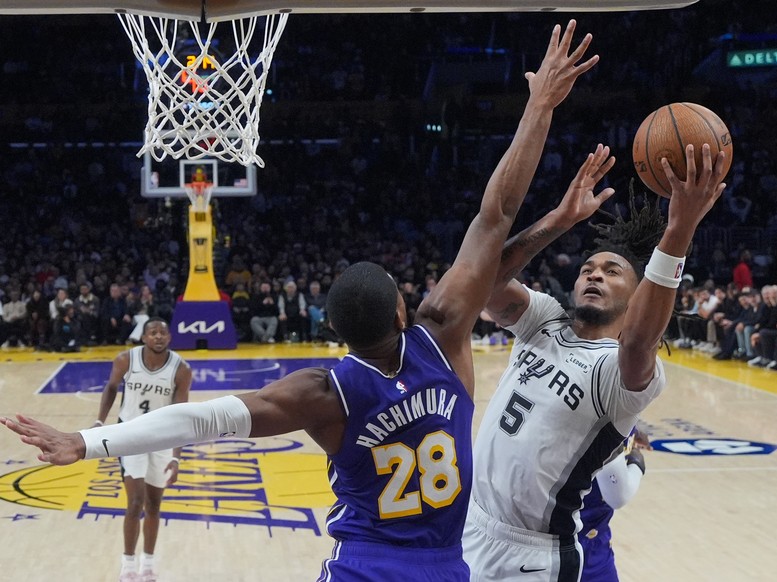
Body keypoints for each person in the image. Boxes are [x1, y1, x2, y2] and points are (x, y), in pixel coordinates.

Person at [2, 20, 599, 581]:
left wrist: (85, 442)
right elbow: (494, 217)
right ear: (401, 311)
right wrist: (539, 107)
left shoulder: (322, 391)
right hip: (446, 563)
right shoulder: (441, 335)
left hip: (363, 564)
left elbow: (202, 419)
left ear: (335, 329)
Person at [463, 139, 727, 580]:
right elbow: (484, 282)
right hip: (471, 527)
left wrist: (678, 231)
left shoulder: (619, 376)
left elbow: (640, 342)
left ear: (639, 294)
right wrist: (558, 220)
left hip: (533, 557)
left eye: (612, 271)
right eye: (588, 268)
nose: (595, 274)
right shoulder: (543, 320)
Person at [91, 317, 192, 582]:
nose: (158, 336)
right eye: (153, 332)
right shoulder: (126, 359)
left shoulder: (181, 369)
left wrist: (177, 458)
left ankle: (148, 562)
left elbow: (181, 416)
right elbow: (111, 387)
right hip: (131, 435)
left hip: (162, 438)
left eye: (163, 333)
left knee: (154, 504)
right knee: (134, 502)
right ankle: (127, 565)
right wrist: (100, 421)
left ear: (169, 338)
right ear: (144, 337)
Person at [579, 430, 650, 581]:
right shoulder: (606, 421)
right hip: (569, 542)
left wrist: (632, 432)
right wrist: (637, 465)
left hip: (595, 538)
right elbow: (618, 497)